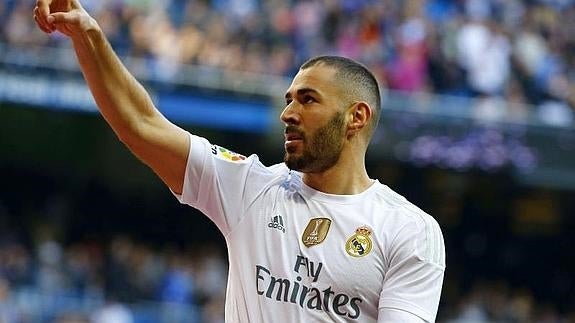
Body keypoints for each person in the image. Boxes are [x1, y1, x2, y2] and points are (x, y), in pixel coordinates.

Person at [33, 0, 446, 322]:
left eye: (307, 99)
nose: (288, 113)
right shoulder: (252, 188)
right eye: (288, 100)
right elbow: (141, 124)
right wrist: (88, 35)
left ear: (356, 117)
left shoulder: (409, 231)